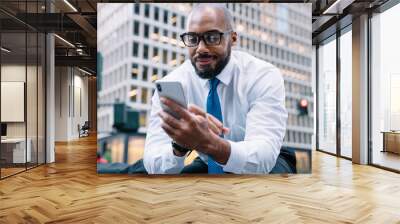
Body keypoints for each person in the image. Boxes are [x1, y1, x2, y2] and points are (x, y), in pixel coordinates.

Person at [143, 4, 291, 174]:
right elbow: (152, 164)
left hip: (268, 159)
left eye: (212, 37)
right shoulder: (172, 83)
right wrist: (179, 145)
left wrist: (209, 143)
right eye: (192, 38)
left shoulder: (262, 75)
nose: (201, 49)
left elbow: (263, 157)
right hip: (208, 160)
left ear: (233, 39)